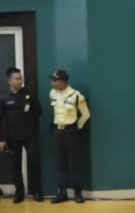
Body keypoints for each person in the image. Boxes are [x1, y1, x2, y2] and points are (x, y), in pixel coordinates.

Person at [47, 69, 89, 203]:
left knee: (74, 164)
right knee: (60, 164)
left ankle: (77, 193)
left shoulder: (76, 96)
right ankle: (62, 192)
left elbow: (86, 115)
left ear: (62, 82)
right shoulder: (52, 93)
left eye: (54, 81)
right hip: (57, 132)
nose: (52, 83)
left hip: (71, 132)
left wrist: (77, 127)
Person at [1, 67, 41, 202]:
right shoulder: (4, 97)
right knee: (15, 165)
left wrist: (29, 124)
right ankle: (19, 192)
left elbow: (38, 111)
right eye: (17, 78)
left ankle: (37, 191)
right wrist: (2, 139)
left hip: (29, 136)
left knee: (34, 162)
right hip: (12, 138)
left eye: (21, 78)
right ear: (9, 81)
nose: (20, 81)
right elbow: (1, 119)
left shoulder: (28, 94)